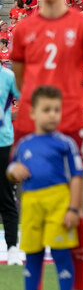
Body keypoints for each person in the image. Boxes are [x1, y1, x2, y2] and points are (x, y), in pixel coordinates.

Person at [10, 0, 83, 290]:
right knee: (31, 196)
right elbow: (22, 80)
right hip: (30, 125)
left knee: (73, 206)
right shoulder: (22, 29)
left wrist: (75, 105)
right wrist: (37, 111)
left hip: (70, 123)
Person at [7, 86, 83, 290]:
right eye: (46, 109)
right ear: (32, 113)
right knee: (33, 253)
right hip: (31, 203)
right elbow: (12, 170)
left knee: (61, 252)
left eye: (56, 110)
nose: (52, 114)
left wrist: (74, 208)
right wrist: (13, 170)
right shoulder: (25, 144)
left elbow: (77, 176)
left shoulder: (65, 144)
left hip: (58, 202)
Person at [0, 65, 20, 265]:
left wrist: (7, 118)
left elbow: (28, 101)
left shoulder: (8, 76)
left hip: (3, 142)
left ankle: (12, 247)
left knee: (6, 196)